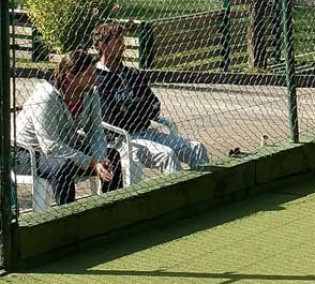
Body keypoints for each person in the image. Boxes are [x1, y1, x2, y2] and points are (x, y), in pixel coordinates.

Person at [91, 23, 209, 174]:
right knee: (167, 155)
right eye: (118, 42)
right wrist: (137, 106)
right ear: (102, 45)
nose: (123, 46)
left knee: (196, 148)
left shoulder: (132, 74)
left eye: (123, 41)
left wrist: (131, 108)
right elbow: (112, 118)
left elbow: (153, 105)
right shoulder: (95, 79)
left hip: (146, 132)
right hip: (122, 140)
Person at [14, 50, 123, 206]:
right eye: (88, 74)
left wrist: (100, 158)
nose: (94, 78)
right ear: (71, 76)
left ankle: (114, 211)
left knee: (111, 156)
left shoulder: (90, 93)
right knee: (63, 167)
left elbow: (95, 131)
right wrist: (91, 163)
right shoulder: (46, 97)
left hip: (63, 146)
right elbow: (50, 146)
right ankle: (69, 220)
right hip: (26, 153)